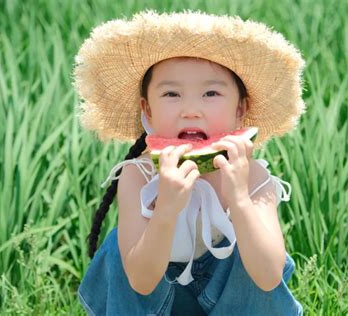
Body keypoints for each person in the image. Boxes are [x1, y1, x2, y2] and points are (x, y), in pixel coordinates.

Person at [73, 10, 306, 315]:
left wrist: (239, 200)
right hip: (154, 303)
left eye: (211, 93)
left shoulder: (253, 176)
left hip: (232, 304)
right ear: (148, 110)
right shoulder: (137, 177)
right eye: (171, 93)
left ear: (241, 109)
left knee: (251, 239)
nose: (191, 110)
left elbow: (268, 277)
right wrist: (166, 208)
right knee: (124, 246)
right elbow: (141, 283)